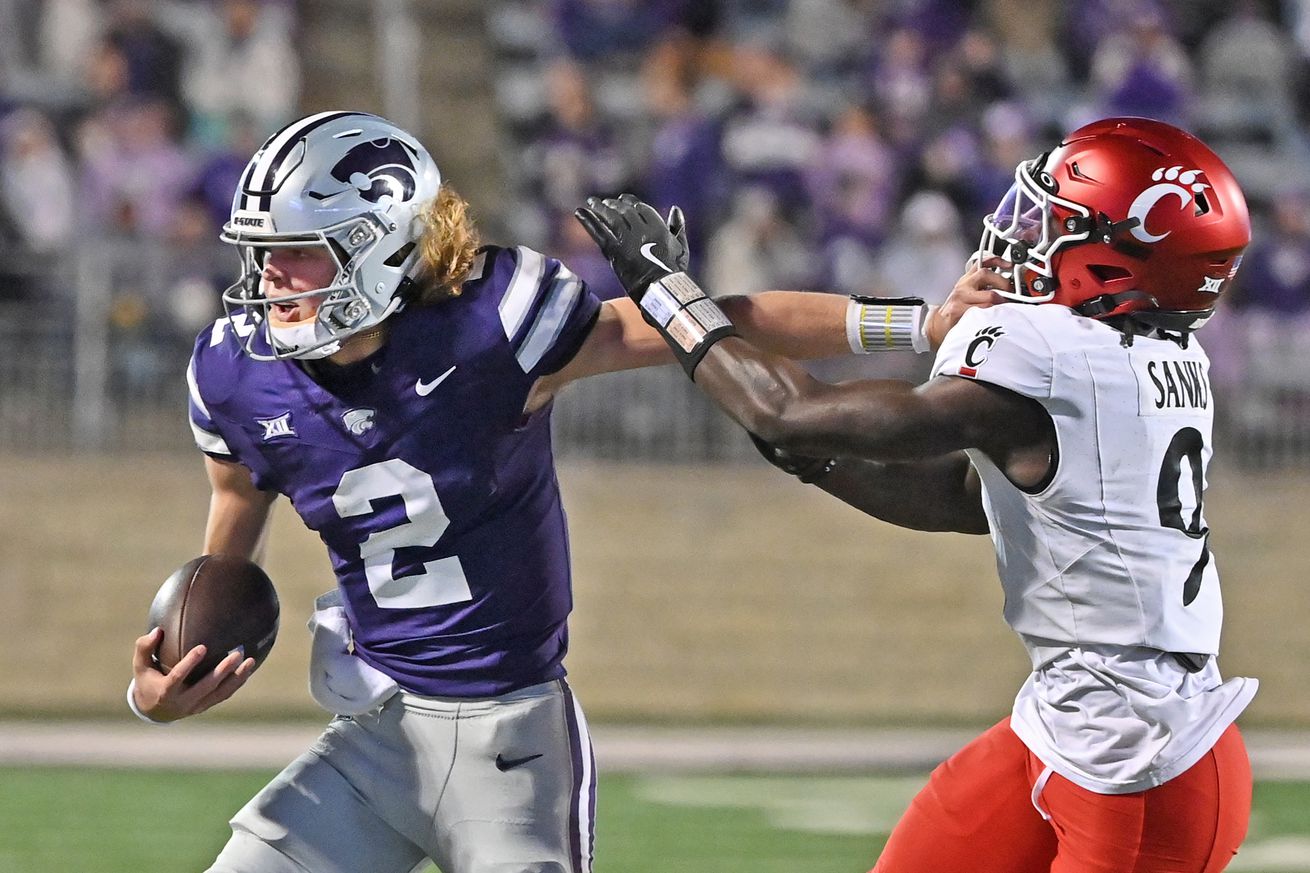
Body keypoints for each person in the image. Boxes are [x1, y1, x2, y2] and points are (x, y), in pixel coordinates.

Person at [124, 110, 991, 873]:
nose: (270, 279)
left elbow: (720, 318)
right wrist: (166, 680)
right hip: (377, 737)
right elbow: (227, 548)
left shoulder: (496, 324)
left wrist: (917, 322)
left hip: (514, 746)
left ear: (379, 242)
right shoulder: (237, 376)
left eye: (296, 254)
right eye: (263, 256)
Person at [578, 116, 1259, 873]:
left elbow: (787, 409)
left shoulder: (1061, 355)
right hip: (1076, 719)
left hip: (1139, 765)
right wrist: (818, 462)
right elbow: (970, 496)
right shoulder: (1165, 355)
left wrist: (669, 293)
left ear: (1119, 259)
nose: (1023, 237)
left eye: (1057, 224)